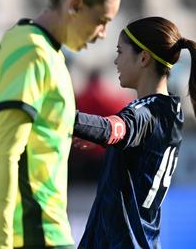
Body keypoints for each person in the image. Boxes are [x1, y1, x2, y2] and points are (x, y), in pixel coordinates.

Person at [0, 0, 121, 249]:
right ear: (75, 6)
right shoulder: (32, 52)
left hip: (40, 230)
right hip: (27, 234)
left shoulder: (43, 51)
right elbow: (5, 154)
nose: (103, 34)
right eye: (101, 21)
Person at [72, 17, 195, 248]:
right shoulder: (171, 112)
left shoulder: (145, 113)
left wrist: (60, 115)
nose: (116, 61)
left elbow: (114, 129)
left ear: (144, 58)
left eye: (120, 51)